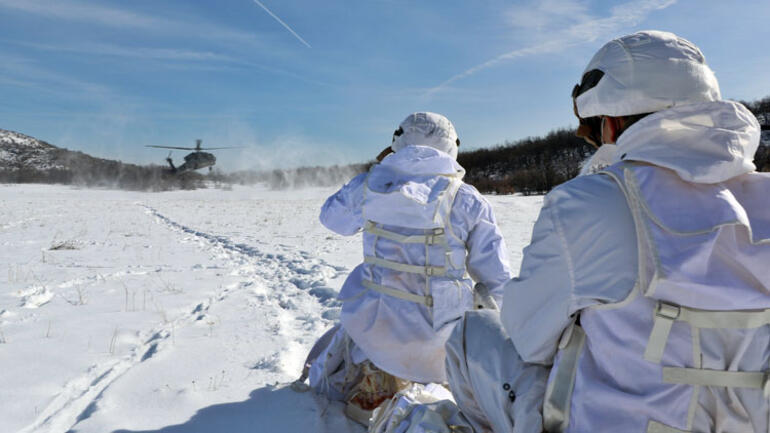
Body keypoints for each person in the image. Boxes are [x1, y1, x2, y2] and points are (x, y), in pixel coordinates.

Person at [443, 30, 770, 433]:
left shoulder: (588, 203)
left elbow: (528, 338)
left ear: (612, 123)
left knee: (469, 333)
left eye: (594, 130)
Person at [301, 112, 512, 423]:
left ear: (397, 142)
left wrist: (370, 179)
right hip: (438, 346)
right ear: (450, 147)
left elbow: (332, 220)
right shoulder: (466, 199)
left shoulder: (371, 187)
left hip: (372, 334)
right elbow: (497, 279)